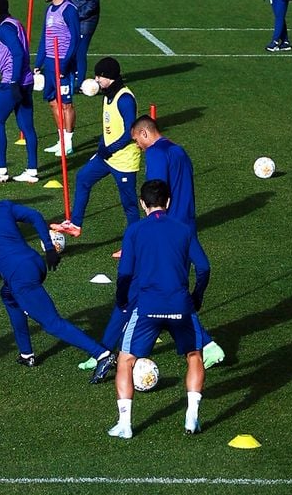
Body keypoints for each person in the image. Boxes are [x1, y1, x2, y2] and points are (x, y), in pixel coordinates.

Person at [87, 116, 225, 379]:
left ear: (145, 134)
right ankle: (105, 349)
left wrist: (139, 241)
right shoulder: (179, 150)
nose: (137, 145)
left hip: (164, 233)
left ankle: (105, 353)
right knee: (167, 290)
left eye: (137, 139)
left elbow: (155, 196)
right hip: (184, 229)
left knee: (135, 289)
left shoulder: (156, 155)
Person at [0, 183, 110, 368]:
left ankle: (102, 355)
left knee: (52, 323)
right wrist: (50, 249)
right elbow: (35, 215)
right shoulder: (3, 206)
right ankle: (26, 353)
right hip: (35, 263)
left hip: (20, 277)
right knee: (8, 295)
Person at [107, 180, 210, 439]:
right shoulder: (184, 229)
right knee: (194, 355)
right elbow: (204, 268)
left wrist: (121, 301)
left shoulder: (135, 231)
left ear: (143, 204)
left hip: (147, 307)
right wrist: (196, 296)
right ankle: (192, 417)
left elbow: (125, 273)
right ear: (169, 202)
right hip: (180, 305)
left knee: (125, 360)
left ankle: (125, 424)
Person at [50, 57, 140, 257]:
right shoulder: (108, 94)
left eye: (100, 76)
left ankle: (133, 246)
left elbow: (130, 132)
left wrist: (110, 148)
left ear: (110, 77)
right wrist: (102, 145)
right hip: (107, 155)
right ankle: (75, 224)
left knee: (130, 205)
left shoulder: (125, 99)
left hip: (124, 160)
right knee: (83, 178)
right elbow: (110, 126)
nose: (97, 79)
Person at [0, 0, 38, 185]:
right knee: (27, 126)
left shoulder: (5, 28)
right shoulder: (16, 23)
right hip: (26, 81)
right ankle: (32, 169)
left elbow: (18, 53)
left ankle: (1, 168)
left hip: (12, 82)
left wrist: (12, 82)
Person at [35, 0, 80, 156]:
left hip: (62, 63)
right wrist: (38, 63)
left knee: (66, 103)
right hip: (48, 63)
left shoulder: (69, 10)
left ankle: (68, 142)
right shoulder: (49, 10)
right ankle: (60, 140)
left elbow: (75, 40)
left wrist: (65, 64)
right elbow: (44, 38)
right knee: (53, 102)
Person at [60, 0, 100, 84]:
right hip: (75, 20)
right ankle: (73, 77)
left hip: (86, 22)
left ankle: (79, 82)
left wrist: (77, 15)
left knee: (80, 51)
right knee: (71, 49)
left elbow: (93, 2)